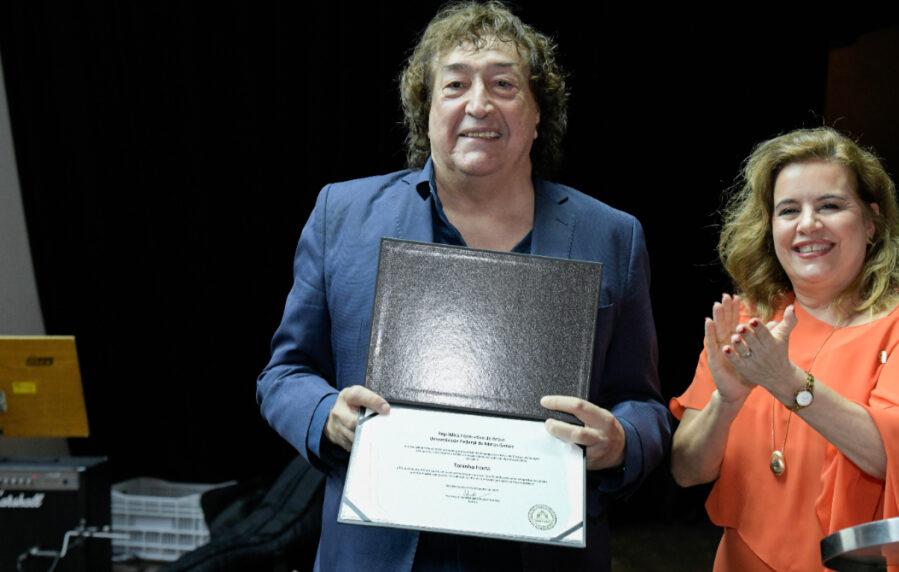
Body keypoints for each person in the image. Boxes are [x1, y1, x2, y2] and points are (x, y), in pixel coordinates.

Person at [256, 2, 671, 570]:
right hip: (377, 553)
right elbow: (283, 375)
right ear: (425, 109)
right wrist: (324, 413)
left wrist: (622, 440)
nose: (479, 104)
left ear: (537, 114)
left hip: (541, 550)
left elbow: (644, 401)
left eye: (504, 83)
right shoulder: (342, 214)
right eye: (455, 85)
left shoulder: (612, 236)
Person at [670, 127, 899, 571]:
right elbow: (687, 470)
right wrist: (726, 400)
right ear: (770, 227)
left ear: (871, 221)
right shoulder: (746, 323)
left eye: (830, 206)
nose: (808, 224)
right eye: (788, 210)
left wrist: (786, 381)